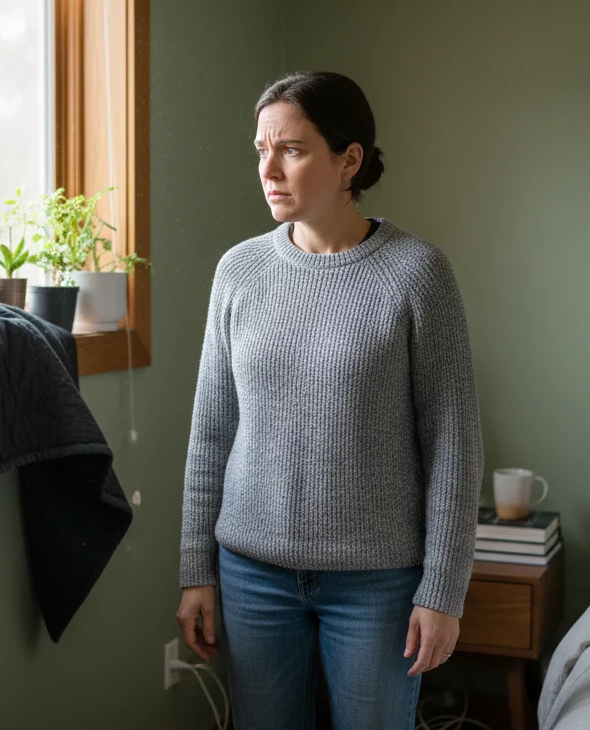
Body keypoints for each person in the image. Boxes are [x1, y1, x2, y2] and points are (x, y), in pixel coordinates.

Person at [175, 71, 484, 730]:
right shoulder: (239, 271)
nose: (269, 168)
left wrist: (443, 590)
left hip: (376, 582)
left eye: (292, 149)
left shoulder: (417, 273)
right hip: (251, 573)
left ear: (350, 159)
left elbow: (454, 445)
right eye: (261, 149)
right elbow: (211, 433)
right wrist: (196, 569)